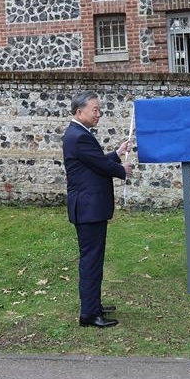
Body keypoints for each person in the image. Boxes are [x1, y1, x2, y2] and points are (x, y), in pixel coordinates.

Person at [62, 91, 133, 328]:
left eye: (99, 109)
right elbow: (100, 165)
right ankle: (89, 315)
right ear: (79, 111)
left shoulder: (79, 134)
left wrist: (116, 153)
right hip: (88, 209)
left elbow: (94, 161)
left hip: (89, 209)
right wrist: (123, 170)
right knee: (91, 261)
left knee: (94, 259)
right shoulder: (78, 136)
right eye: (95, 109)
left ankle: (94, 305)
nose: (98, 114)